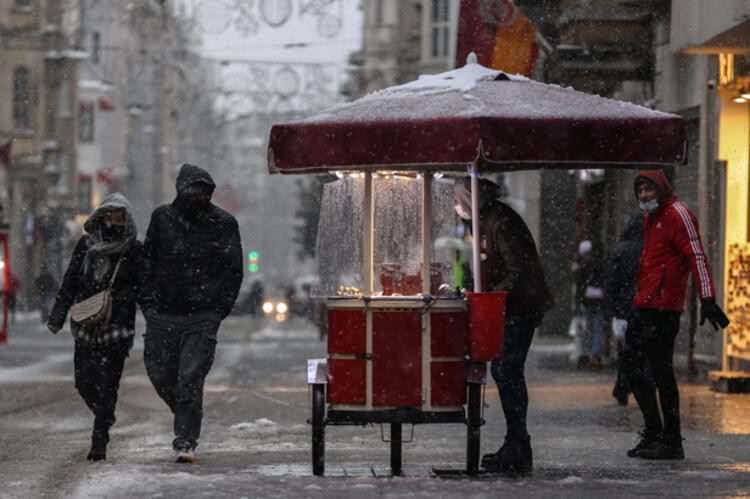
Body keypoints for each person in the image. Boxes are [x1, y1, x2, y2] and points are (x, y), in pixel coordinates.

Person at [623, 170, 729, 460]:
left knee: (661, 371)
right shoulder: (651, 218)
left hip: (663, 307)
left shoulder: (678, 214)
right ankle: (655, 432)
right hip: (644, 304)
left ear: (662, 189)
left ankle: (670, 439)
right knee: (631, 368)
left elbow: (696, 255)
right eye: (640, 191)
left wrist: (707, 299)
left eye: (649, 190)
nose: (644, 196)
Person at [143, 163, 243, 463]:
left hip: (202, 315)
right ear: (180, 189)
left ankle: (185, 438)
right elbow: (147, 261)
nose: (197, 196)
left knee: (190, 376)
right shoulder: (162, 218)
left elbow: (232, 270)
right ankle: (187, 412)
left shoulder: (223, 223)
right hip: (163, 312)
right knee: (159, 372)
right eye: (192, 190)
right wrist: (148, 304)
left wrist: (217, 310)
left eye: (202, 191)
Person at [454, 177, 555, 472]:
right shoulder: (482, 220)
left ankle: (518, 444)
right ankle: (516, 442)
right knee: (503, 370)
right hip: (507, 307)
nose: (456, 207)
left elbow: (519, 270)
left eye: (457, 201)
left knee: (506, 369)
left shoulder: (500, 221)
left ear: (469, 199)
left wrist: (494, 296)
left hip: (519, 307)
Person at [47, 193, 148, 461]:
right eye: (108, 215)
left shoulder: (134, 250)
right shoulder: (86, 245)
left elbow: (145, 290)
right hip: (86, 322)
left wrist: (155, 322)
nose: (113, 221)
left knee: (108, 384)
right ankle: (106, 415)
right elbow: (70, 281)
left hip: (118, 326)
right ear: (100, 217)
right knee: (83, 382)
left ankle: (99, 439)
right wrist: (57, 315)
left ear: (127, 220)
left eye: (119, 216)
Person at [603, 212, 644, 406]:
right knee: (642, 352)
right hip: (645, 309)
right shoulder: (650, 249)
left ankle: (622, 385)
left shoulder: (620, 250)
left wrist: (609, 310)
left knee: (624, 350)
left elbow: (611, 282)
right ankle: (640, 387)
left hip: (622, 311)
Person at [572, 239, 606, 371]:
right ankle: (596, 356)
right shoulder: (600, 263)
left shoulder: (582, 265)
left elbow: (580, 284)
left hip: (587, 300)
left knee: (588, 328)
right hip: (599, 300)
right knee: (597, 328)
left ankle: (587, 355)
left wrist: (579, 300)